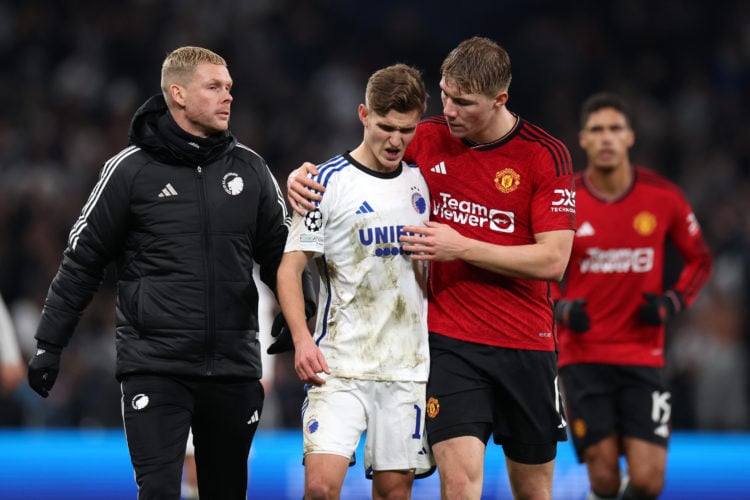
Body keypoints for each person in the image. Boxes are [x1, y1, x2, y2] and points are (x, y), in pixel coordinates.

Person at [288, 37, 576, 500]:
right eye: (445, 94)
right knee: (458, 486)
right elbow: (362, 163)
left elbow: (553, 260)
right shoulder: (428, 136)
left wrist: (462, 246)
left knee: (534, 492)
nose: (449, 110)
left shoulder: (544, 154)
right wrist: (302, 179)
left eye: (463, 102)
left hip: (526, 343)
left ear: (500, 99)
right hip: (448, 345)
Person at [26, 46, 311, 500]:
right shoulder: (128, 173)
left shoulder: (250, 170)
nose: (228, 98)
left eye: (230, 89)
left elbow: (283, 253)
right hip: (155, 367)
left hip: (233, 367)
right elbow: (82, 260)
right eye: (214, 87)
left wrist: (303, 308)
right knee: (158, 491)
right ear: (177, 94)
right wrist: (49, 344)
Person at [277, 63, 434, 499]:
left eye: (407, 129)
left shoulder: (424, 183)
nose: (396, 140)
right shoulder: (324, 183)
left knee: (393, 493)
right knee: (321, 488)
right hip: (339, 364)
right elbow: (289, 268)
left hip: (406, 366)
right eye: (386, 126)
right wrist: (302, 339)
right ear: (363, 115)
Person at [552, 92, 713, 500]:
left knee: (647, 481)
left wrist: (672, 303)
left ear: (630, 137)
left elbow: (700, 260)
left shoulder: (663, 197)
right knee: (603, 480)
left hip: (643, 356)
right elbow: (537, 263)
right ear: (582, 139)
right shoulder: (564, 199)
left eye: (615, 129)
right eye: (597, 130)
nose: (606, 138)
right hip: (582, 358)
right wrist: (560, 306)